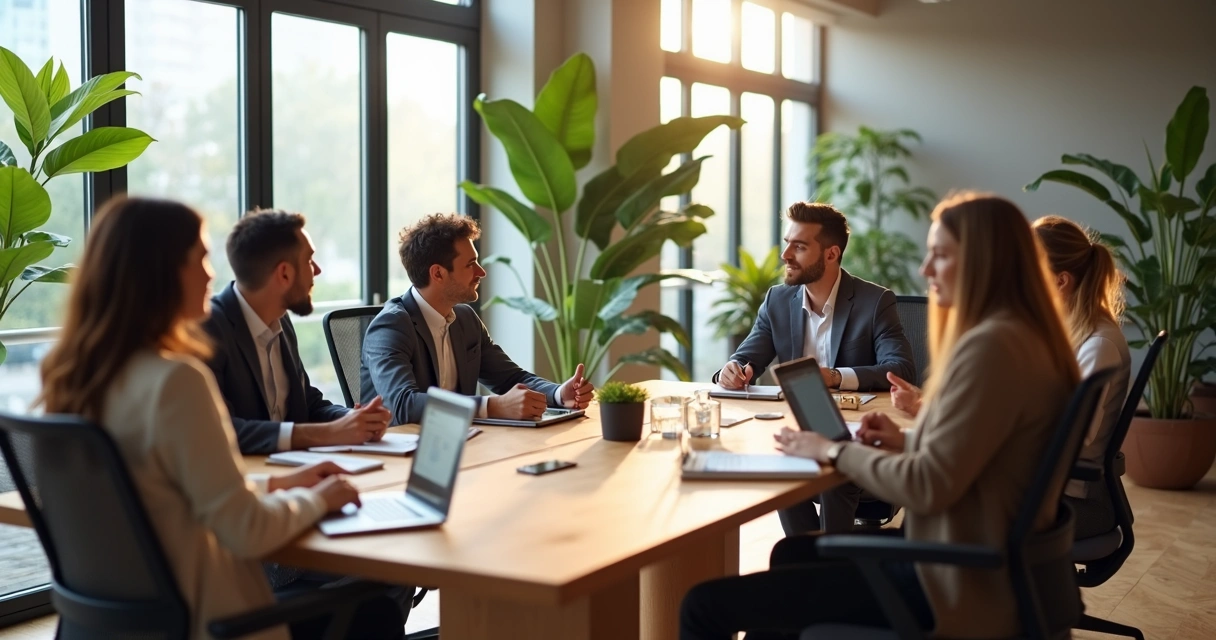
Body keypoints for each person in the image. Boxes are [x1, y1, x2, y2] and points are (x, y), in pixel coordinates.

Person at [680, 192, 1080, 640]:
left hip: (950, 579)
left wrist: (833, 449)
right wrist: (903, 440)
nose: (925, 270)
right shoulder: (1028, 340)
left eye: (940, 256)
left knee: (703, 606)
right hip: (977, 560)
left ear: (986, 262)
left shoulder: (992, 348)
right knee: (794, 555)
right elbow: (979, 454)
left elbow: (927, 485)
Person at [37, 196, 403, 639]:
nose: (213, 274)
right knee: (376, 608)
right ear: (162, 272)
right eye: (201, 257)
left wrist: (279, 484)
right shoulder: (176, 381)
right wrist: (322, 498)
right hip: (210, 621)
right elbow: (247, 532)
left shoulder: (71, 377)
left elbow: (161, 491)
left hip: (117, 625)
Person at [715, 201, 916, 534]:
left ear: (831, 254)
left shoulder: (874, 302)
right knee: (781, 469)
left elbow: (900, 368)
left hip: (854, 440)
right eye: (787, 243)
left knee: (836, 479)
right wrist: (732, 370)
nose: (786, 255)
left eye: (800, 246)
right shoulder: (777, 301)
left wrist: (835, 377)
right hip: (797, 434)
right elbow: (747, 356)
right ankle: (811, 563)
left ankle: (821, 566)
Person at [362, 213, 593, 426]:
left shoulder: (465, 319)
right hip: (402, 455)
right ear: (438, 273)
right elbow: (403, 405)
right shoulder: (391, 327)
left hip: (459, 441)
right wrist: (492, 406)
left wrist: (558, 394)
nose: (481, 272)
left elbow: (510, 378)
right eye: (470, 264)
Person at [203, 209, 392, 455]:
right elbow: (220, 430)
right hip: (248, 480)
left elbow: (307, 403)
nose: (317, 270)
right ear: (284, 273)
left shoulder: (281, 319)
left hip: (296, 470)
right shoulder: (208, 328)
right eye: (309, 260)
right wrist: (331, 433)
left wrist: (353, 418)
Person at [1033, 215, 1131, 539]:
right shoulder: (1069, 333)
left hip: (1075, 502)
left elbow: (1069, 437)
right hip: (1051, 490)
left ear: (1061, 281)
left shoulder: (1098, 345)